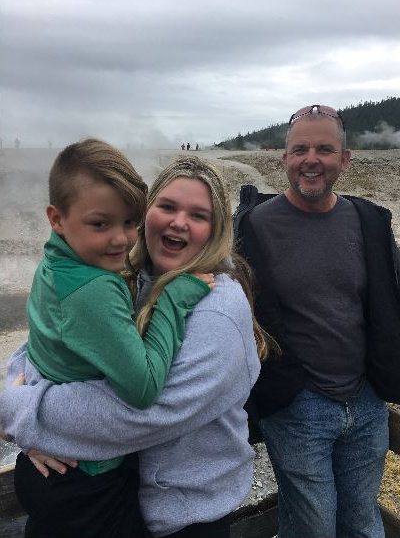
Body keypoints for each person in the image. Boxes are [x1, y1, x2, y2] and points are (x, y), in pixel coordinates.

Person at [1, 156, 266, 538]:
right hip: (116, 503)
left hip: (183, 518)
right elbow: (47, 340)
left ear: (216, 229)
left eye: (198, 215)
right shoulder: (121, 273)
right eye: (168, 207)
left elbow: (139, 414)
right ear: (147, 213)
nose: (178, 221)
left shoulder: (218, 310)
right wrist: (23, 413)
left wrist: (19, 412)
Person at [233, 105, 400, 538]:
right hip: (298, 405)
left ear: (344, 159)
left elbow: (397, 288)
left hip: (366, 400)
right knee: (313, 526)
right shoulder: (255, 225)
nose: (310, 159)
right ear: (284, 158)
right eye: (300, 149)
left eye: (324, 149)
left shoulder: (369, 219)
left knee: (362, 522)